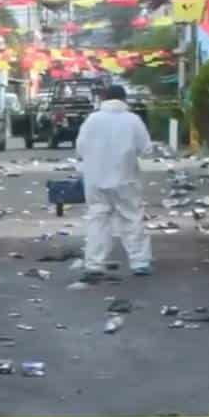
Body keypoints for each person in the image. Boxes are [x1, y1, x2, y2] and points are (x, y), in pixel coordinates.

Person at [76, 84, 153, 277]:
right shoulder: (133, 120)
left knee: (98, 219)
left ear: (104, 99)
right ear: (124, 99)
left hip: (96, 179)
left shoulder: (92, 120)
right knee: (132, 218)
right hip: (126, 178)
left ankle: (94, 263)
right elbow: (146, 149)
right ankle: (139, 262)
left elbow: (80, 148)